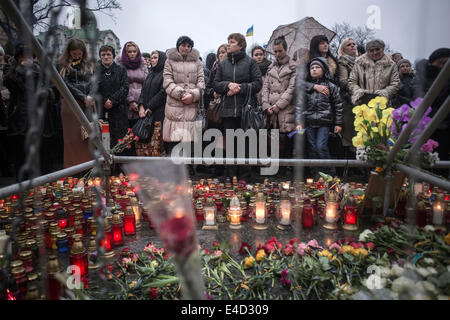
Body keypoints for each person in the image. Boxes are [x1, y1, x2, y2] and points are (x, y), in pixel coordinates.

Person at [4, 43, 56, 179]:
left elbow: (54, 89)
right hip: (21, 122)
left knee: (43, 160)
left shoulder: (42, 71)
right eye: (22, 56)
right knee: (22, 159)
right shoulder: (12, 72)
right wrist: (21, 70)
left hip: (42, 122)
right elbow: (9, 83)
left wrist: (47, 93)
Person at [214, 33, 262, 177]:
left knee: (245, 145)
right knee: (230, 145)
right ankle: (230, 177)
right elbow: (216, 84)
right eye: (228, 42)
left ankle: (244, 178)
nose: (228, 44)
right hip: (228, 111)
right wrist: (228, 85)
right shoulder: (222, 64)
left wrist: (240, 88)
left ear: (241, 45)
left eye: (232, 42)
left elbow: (258, 84)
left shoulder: (250, 62)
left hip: (245, 110)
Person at [295, 57, 343, 180]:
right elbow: (300, 105)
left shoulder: (331, 86)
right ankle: (316, 173)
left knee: (321, 147)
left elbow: (338, 105)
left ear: (324, 69)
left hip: (324, 122)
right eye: (312, 68)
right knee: (312, 148)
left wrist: (338, 123)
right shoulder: (307, 88)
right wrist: (299, 122)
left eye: (317, 67)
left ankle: (329, 172)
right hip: (310, 122)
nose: (314, 70)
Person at [163, 36, 205, 173]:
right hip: (175, 104)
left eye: (188, 46)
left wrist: (193, 95)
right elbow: (167, 81)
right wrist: (181, 94)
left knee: (189, 139)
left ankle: (188, 170)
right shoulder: (169, 61)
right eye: (183, 45)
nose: (186, 48)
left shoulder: (197, 62)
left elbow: (201, 82)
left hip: (191, 105)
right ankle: (175, 170)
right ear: (178, 46)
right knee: (175, 139)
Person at [261, 36, 297, 171]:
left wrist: (278, 106)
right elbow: (265, 88)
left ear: (286, 49)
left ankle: (285, 169)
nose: (277, 54)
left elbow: (291, 89)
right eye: (275, 51)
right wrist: (266, 105)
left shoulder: (293, 67)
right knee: (273, 139)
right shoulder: (270, 68)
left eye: (280, 51)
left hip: (285, 109)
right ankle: (274, 168)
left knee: (286, 140)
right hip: (270, 109)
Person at [58, 38, 94, 168]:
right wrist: (82, 96)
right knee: (72, 139)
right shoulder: (62, 64)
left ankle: (88, 167)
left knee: (87, 136)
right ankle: (72, 168)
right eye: (74, 54)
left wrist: (89, 95)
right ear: (69, 52)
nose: (77, 56)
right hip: (70, 104)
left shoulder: (88, 64)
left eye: (80, 54)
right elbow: (65, 85)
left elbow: (92, 82)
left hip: (87, 103)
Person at [88, 45, 129, 153]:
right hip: (102, 111)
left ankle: (119, 166)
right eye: (103, 55)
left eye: (108, 54)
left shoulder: (121, 70)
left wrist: (112, 100)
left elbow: (125, 88)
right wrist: (104, 100)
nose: (106, 57)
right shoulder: (96, 70)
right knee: (103, 140)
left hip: (118, 111)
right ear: (100, 56)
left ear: (113, 56)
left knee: (119, 141)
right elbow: (93, 88)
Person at [414, 48, 450, 165]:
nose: (442, 67)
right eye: (439, 63)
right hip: (427, 125)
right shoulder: (423, 78)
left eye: (446, 64)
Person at [348, 39, 400, 106]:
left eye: (377, 49)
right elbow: (352, 81)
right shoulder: (359, 63)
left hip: (383, 103)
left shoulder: (391, 64)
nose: (375, 52)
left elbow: (395, 83)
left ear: (382, 49)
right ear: (368, 51)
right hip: (363, 103)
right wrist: (359, 92)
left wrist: (384, 93)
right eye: (371, 50)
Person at [136, 50, 167, 156]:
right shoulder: (150, 74)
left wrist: (149, 107)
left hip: (158, 114)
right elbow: (143, 92)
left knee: (156, 146)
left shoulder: (165, 74)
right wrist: (140, 106)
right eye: (152, 57)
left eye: (155, 58)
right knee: (144, 146)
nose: (152, 60)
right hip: (145, 114)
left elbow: (163, 93)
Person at [117, 41, 148, 131]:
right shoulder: (120, 64)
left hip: (141, 101)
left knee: (140, 131)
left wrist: (141, 102)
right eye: (129, 52)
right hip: (125, 101)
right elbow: (121, 84)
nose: (132, 54)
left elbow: (146, 83)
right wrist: (130, 101)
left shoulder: (142, 64)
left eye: (134, 51)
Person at [337, 38, 358, 155]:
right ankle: (347, 167)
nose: (353, 46)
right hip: (348, 100)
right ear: (343, 49)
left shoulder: (361, 62)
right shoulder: (342, 62)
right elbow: (343, 81)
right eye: (349, 45)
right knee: (348, 133)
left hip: (360, 100)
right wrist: (358, 88)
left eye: (354, 44)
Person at [0, 45, 11, 177]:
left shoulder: (7, 70)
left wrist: (4, 94)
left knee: (5, 140)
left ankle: (7, 167)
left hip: (7, 107)